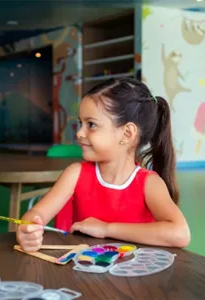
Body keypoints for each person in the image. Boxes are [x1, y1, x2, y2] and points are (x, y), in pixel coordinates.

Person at [17, 78, 190, 253]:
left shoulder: (149, 184)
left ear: (127, 133)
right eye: (80, 123)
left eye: (91, 124)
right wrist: (28, 229)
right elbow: (36, 215)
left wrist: (106, 229)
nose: (79, 133)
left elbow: (180, 234)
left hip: (135, 275)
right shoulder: (75, 174)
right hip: (85, 273)